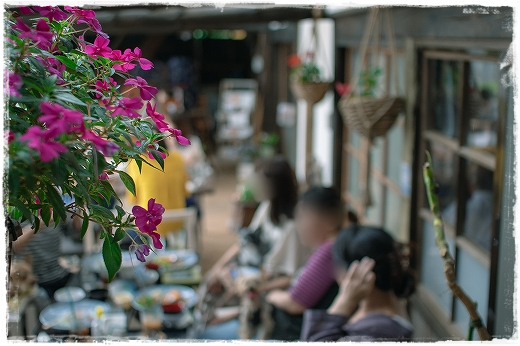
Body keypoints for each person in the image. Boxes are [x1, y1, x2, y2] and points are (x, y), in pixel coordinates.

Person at [198, 157, 311, 339]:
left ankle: (227, 319)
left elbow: (290, 277)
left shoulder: (291, 227)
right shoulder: (267, 207)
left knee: (210, 324)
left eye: (260, 182)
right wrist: (218, 268)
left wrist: (246, 285)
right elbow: (243, 243)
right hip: (249, 274)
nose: (254, 186)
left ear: (276, 187)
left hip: (263, 288)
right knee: (211, 280)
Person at [301, 226, 415, 341]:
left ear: (357, 273)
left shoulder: (377, 332)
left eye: (336, 264)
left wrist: (344, 301)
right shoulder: (383, 312)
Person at [265, 187, 344, 341]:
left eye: (303, 217)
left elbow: (294, 304)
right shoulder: (332, 248)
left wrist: (271, 296)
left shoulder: (329, 251)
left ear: (330, 219)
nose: (299, 225)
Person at [125, 128, 189, 245]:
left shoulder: (136, 162)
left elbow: (132, 198)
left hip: (149, 223)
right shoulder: (178, 159)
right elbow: (186, 192)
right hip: (177, 220)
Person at [13, 215, 80, 300]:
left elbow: (75, 233)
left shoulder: (55, 205)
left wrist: (80, 211)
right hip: (32, 282)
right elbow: (12, 247)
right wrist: (40, 224)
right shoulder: (14, 211)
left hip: (59, 273)